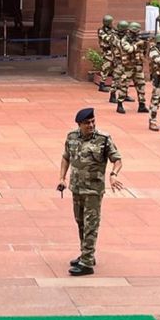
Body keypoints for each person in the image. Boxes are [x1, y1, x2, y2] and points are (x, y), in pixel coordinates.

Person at [57, 107, 123, 276]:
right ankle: (86, 254)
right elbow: (66, 157)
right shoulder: (71, 137)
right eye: (87, 123)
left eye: (93, 122)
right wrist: (62, 178)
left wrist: (113, 175)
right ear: (79, 124)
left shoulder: (104, 139)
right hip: (77, 188)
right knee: (80, 222)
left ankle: (86, 264)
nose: (91, 125)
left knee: (91, 225)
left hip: (93, 190)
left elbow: (117, 160)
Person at [116, 22, 148, 114]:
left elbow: (144, 52)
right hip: (128, 67)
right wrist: (137, 44)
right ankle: (120, 105)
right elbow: (129, 49)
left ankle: (142, 105)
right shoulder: (124, 40)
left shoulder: (136, 39)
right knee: (124, 86)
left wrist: (144, 43)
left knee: (141, 85)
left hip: (138, 66)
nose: (137, 34)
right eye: (136, 32)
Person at [97, 15, 115, 93]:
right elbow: (107, 39)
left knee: (115, 68)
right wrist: (115, 36)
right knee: (106, 68)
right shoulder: (101, 31)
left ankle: (115, 85)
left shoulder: (113, 29)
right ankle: (102, 85)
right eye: (111, 22)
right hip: (107, 52)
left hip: (113, 51)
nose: (112, 24)